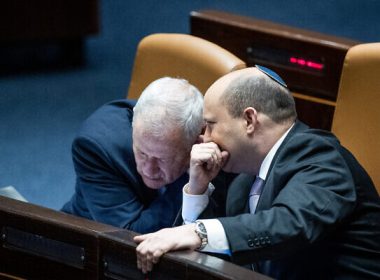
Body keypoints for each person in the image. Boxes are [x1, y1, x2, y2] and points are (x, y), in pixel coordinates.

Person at [134, 66, 380, 279]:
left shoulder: (319, 156)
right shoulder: (242, 181)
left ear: (249, 120)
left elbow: (290, 224)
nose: (203, 140)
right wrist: (197, 190)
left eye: (210, 125)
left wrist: (196, 232)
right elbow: (207, 260)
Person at [61, 77, 233, 234]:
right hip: (87, 243)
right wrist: (191, 185)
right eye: (142, 153)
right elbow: (129, 236)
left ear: (197, 142)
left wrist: (197, 173)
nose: (149, 169)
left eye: (162, 159)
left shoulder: (217, 148)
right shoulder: (98, 147)